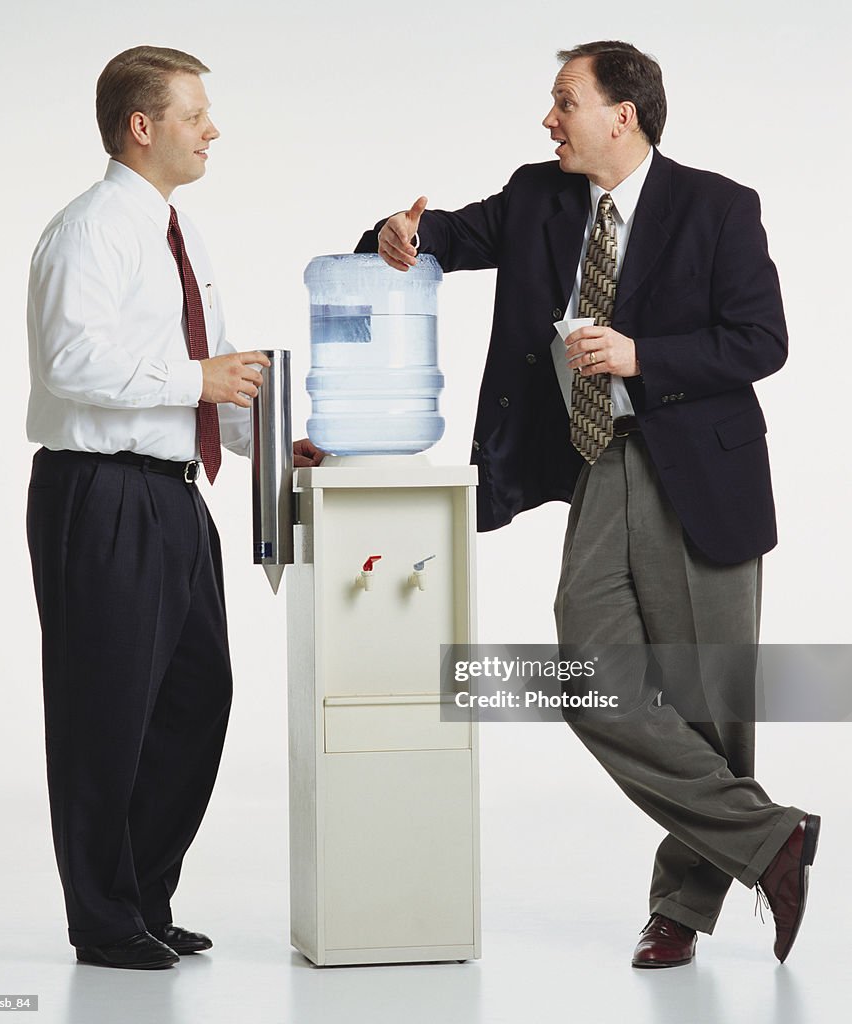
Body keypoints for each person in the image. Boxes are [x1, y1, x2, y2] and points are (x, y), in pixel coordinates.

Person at [358, 40, 819, 968]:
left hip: (701, 466)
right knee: (585, 667)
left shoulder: (717, 207)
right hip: (603, 461)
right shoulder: (539, 195)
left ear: (624, 113)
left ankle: (680, 911)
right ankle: (771, 837)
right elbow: (443, 232)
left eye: (563, 101)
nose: (548, 118)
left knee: (707, 702)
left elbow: (760, 339)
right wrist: (396, 233)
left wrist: (642, 356)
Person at [26, 45, 322, 970]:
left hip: (174, 496)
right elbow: (69, 364)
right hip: (100, 492)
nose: (212, 130)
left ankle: (144, 898)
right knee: (104, 709)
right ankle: (103, 921)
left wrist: (269, 442)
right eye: (195, 115)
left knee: (195, 698)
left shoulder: (174, 236)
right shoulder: (90, 231)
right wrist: (202, 375)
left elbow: (211, 380)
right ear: (142, 126)